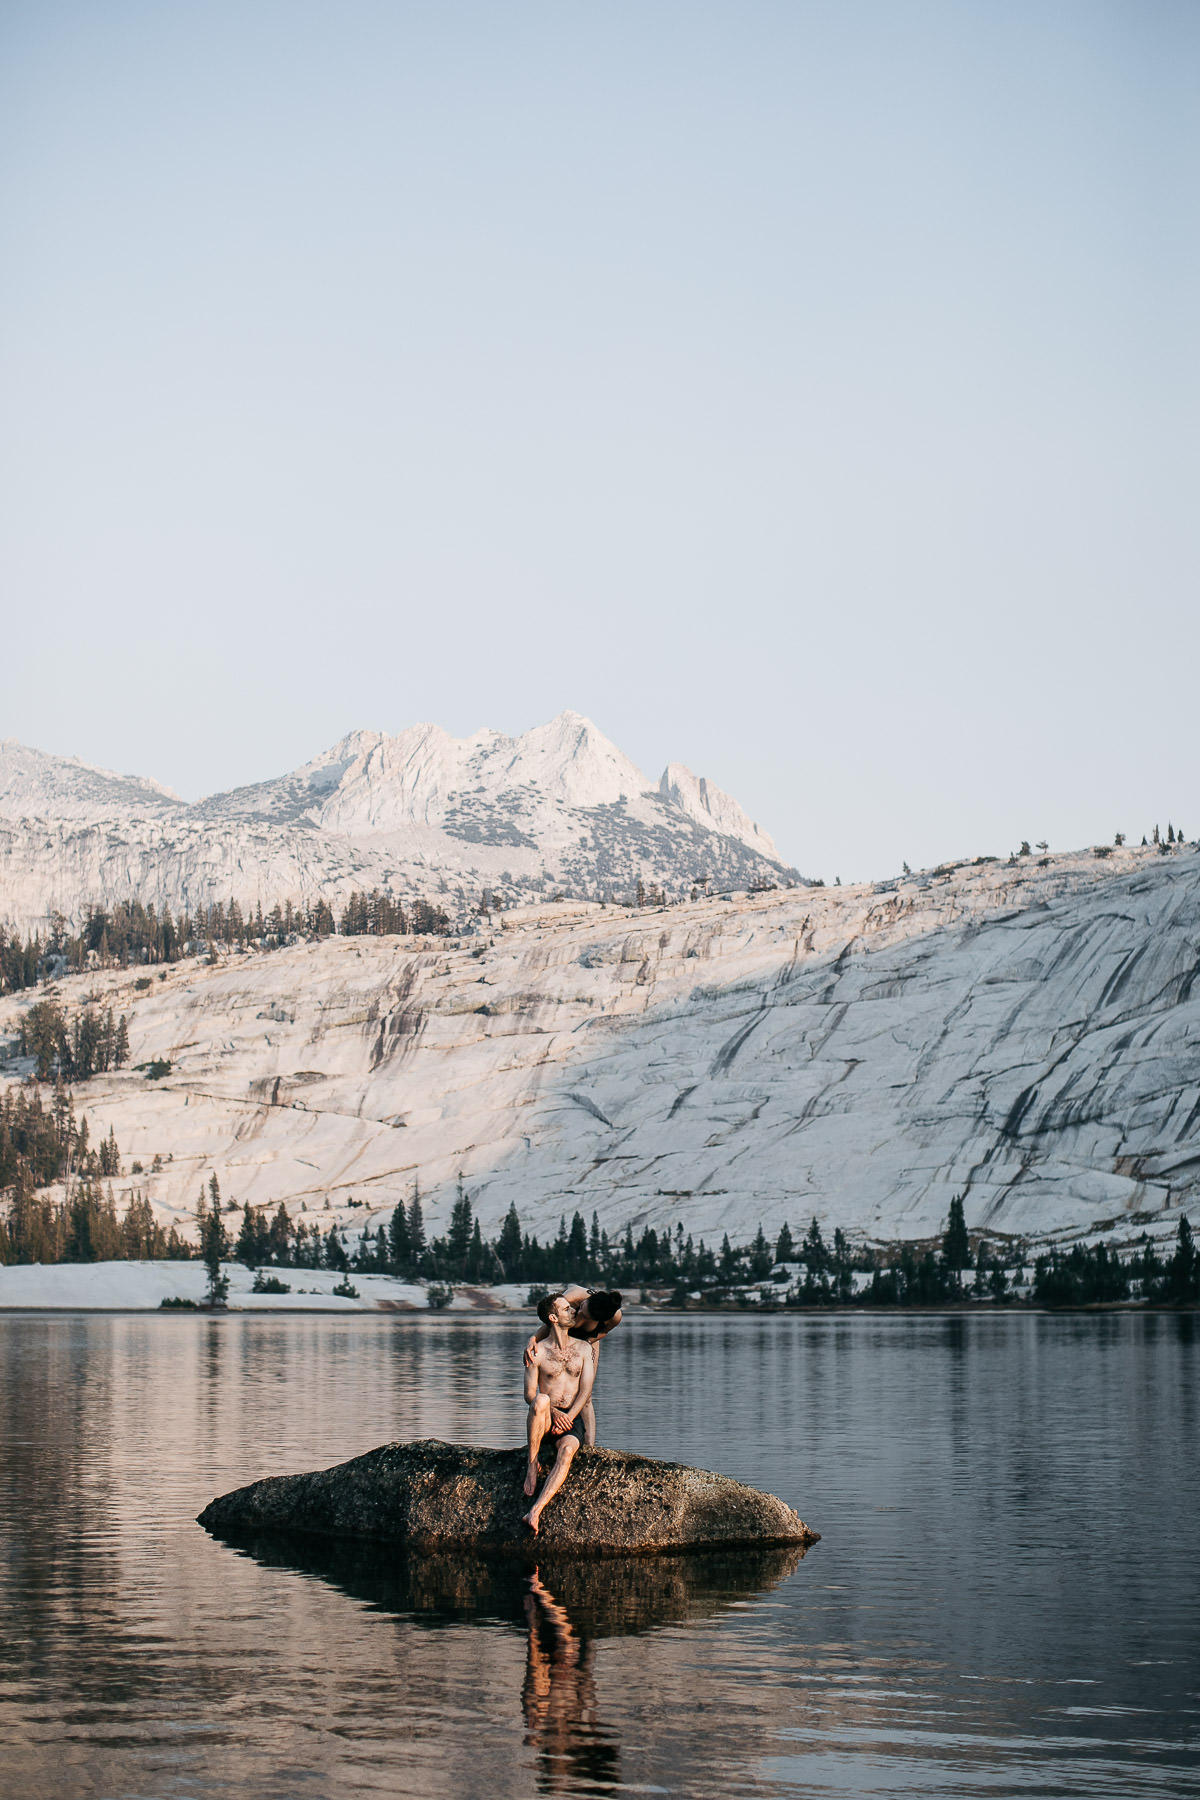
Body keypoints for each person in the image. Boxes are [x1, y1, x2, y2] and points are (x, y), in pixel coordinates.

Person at [522, 1292, 596, 1536]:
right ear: (553, 1317)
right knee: (541, 1399)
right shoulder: (538, 1351)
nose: (573, 1312)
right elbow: (529, 1394)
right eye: (566, 1309)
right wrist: (554, 1413)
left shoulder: (584, 1349)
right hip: (546, 1418)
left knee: (566, 1452)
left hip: (571, 1418)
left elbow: (585, 1391)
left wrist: (569, 1417)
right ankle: (532, 1465)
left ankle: (535, 1511)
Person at [523, 1286, 623, 1445]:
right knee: (553, 1386)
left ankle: (589, 1446)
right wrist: (533, 1340)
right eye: (581, 1309)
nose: (580, 1313)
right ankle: (549, 1429)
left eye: (586, 1316)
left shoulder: (615, 1316)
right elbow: (551, 1321)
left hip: (588, 1340)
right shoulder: (573, 1296)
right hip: (561, 1335)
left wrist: (587, 1344)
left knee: (586, 1395)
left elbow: (604, 1332)